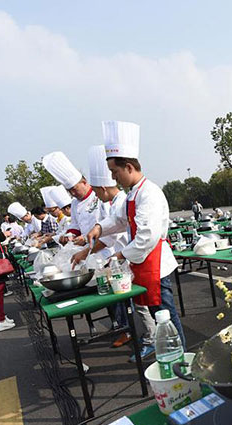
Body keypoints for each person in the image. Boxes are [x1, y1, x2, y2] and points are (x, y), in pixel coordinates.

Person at [86, 120, 185, 362]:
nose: (114, 178)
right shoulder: (135, 193)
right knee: (158, 314)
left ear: (129, 167)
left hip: (156, 264)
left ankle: (180, 358)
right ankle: (172, 355)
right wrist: (99, 227)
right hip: (145, 263)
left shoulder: (149, 193)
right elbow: (120, 220)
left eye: (115, 172)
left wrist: (119, 255)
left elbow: (147, 236)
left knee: (165, 317)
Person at [72, 144, 130, 347]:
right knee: (122, 299)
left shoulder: (123, 201)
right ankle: (125, 328)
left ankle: (131, 331)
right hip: (116, 256)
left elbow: (114, 234)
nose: (95, 196)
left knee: (132, 302)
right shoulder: (114, 202)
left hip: (122, 255)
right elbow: (109, 225)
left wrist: (87, 248)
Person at [43, 151, 107, 251]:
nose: (72, 193)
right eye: (69, 191)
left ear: (84, 182)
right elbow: (75, 225)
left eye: (74, 189)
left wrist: (86, 238)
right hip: (88, 249)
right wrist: (70, 235)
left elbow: (110, 225)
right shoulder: (74, 203)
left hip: (106, 247)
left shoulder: (100, 197)